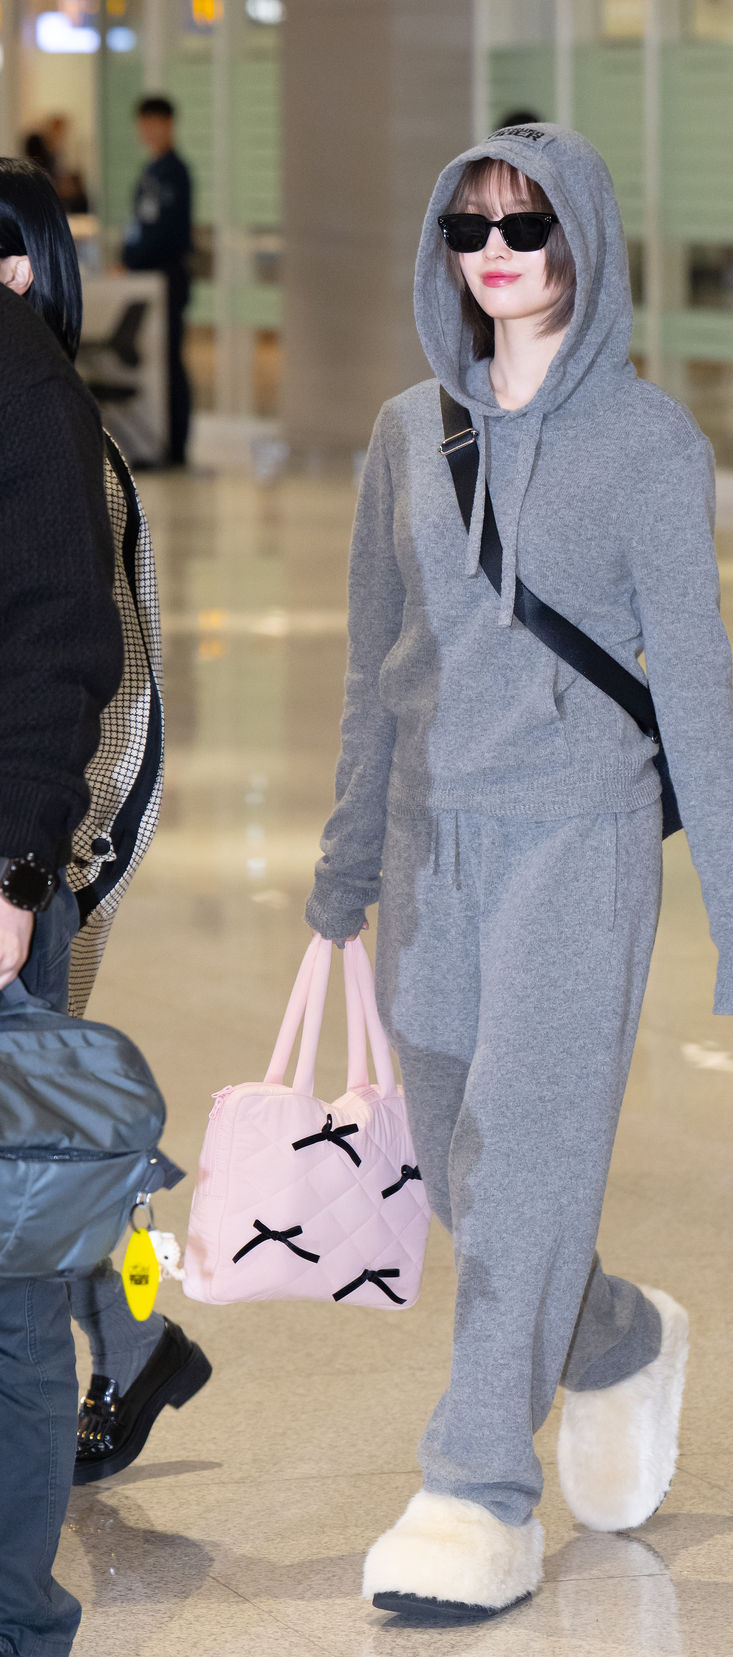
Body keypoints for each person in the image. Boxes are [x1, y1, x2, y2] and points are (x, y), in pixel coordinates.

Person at [306, 124, 733, 1622]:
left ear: (584, 241)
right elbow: (373, 670)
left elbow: (693, 684)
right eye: (471, 229)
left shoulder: (650, 444)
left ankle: (476, 1494)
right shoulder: (405, 432)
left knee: (521, 1164)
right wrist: (342, 875)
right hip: (429, 849)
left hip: (579, 842)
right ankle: (621, 1336)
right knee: (462, 1168)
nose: (498, 254)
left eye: (529, 226)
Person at [0, 158, 210, 1506]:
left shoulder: (59, 430)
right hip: (45, 842)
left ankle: (133, 1346)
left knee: (53, 1143)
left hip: (53, 845)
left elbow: (112, 681)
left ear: (25, 270)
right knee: (42, 1143)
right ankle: (138, 1346)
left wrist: (57, 868)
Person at [0, 273, 123, 1657]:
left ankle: (18, 1625)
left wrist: (12, 865)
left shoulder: (19, 379)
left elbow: (59, 638)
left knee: (10, 1298)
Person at [122, 95, 192, 467]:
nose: (149, 130)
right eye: (144, 123)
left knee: (170, 362)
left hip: (166, 278)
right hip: (145, 277)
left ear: (168, 125)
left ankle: (175, 447)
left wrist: (133, 258)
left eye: (155, 122)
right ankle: (156, 442)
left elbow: (166, 233)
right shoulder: (150, 172)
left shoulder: (175, 174)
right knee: (158, 361)